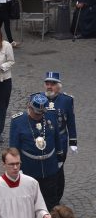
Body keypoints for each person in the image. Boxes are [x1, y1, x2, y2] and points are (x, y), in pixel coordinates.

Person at [9, 93, 63, 211]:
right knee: (30, 202)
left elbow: (57, 138)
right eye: (37, 113)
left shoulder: (51, 115)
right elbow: (14, 147)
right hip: (29, 169)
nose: (39, 116)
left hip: (50, 167)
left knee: (51, 202)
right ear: (29, 107)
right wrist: (17, 166)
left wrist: (59, 158)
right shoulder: (17, 121)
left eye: (42, 113)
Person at [42, 72, 77, 203]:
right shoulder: (37, 98)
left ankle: (57, 196)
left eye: (52, 84)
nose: (49, 86)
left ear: (59, 86)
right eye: (47, 83)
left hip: (61, 141)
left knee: (58, 168)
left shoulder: (67, 100)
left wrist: (73, 142)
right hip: (44, 141)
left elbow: (71, 122)